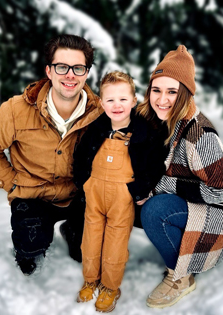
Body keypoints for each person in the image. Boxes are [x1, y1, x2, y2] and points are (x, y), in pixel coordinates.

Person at [0, 34, 103, 276]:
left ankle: (74, 231)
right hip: (34, 196)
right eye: (62, 67)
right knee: (29, 254)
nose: (70, 75)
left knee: (87, 254)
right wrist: (13, 183)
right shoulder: (16, 110)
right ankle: (30, 245)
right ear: (49, 71)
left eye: (78, 68)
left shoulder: (100, 113)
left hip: (79, 196)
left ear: (86, 72)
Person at [136, 45, 223, 308]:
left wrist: (161, 186)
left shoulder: (200, 135)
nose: (162, 99)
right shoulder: (151, 119)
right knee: (125, 198)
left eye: (172, 91)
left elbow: (222, 189)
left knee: (153, 210)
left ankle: (181, 277)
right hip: (186, 196)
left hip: (218, 206)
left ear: (185, 94)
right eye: (157, 90)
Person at [72, 71, 166, 312]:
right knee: (90, 241)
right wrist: (85, 181)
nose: (117, 105)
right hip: (94, 194)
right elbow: (81, 155)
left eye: (123, 99)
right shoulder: (96, 129)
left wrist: (137, 190)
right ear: (102, 103)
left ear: (134, 101)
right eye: (110, 100)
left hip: (122, 197)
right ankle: (90, 280)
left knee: (115, 245)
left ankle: (110, 287)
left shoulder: (144, 133)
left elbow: (155, 164)